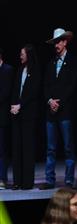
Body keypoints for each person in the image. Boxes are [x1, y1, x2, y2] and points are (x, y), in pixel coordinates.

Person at [41, 28, 77, 190]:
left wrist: (59, 103)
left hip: (65, 111)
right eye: (55, 42)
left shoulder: (73, 61)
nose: (56, 45)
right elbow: (45, 86)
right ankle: (50, 179)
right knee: (50, 148)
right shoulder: (50, 63)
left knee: (68, 147)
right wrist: (50, 101)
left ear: (65, 42)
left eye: (58, 42)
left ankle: (69, 180)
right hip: (51, 112)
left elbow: (72, 85)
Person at [10, 44, 41, 190]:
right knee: (17, 148)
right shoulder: (20, 70)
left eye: (22, 54)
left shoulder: (36, 70)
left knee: (27, 148)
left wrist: (20, 105)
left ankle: (27, 182)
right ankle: (17, 181)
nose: (20, 56)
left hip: (29, 114)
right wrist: (13, 105)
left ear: (28, 55)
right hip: (17, 114)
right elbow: (15, 90)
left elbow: (33, 93)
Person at [0, 48, 13, 189]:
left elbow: (6, 92)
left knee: (2, 149)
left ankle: (2, 178)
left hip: (2, 116)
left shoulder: (7, 70)